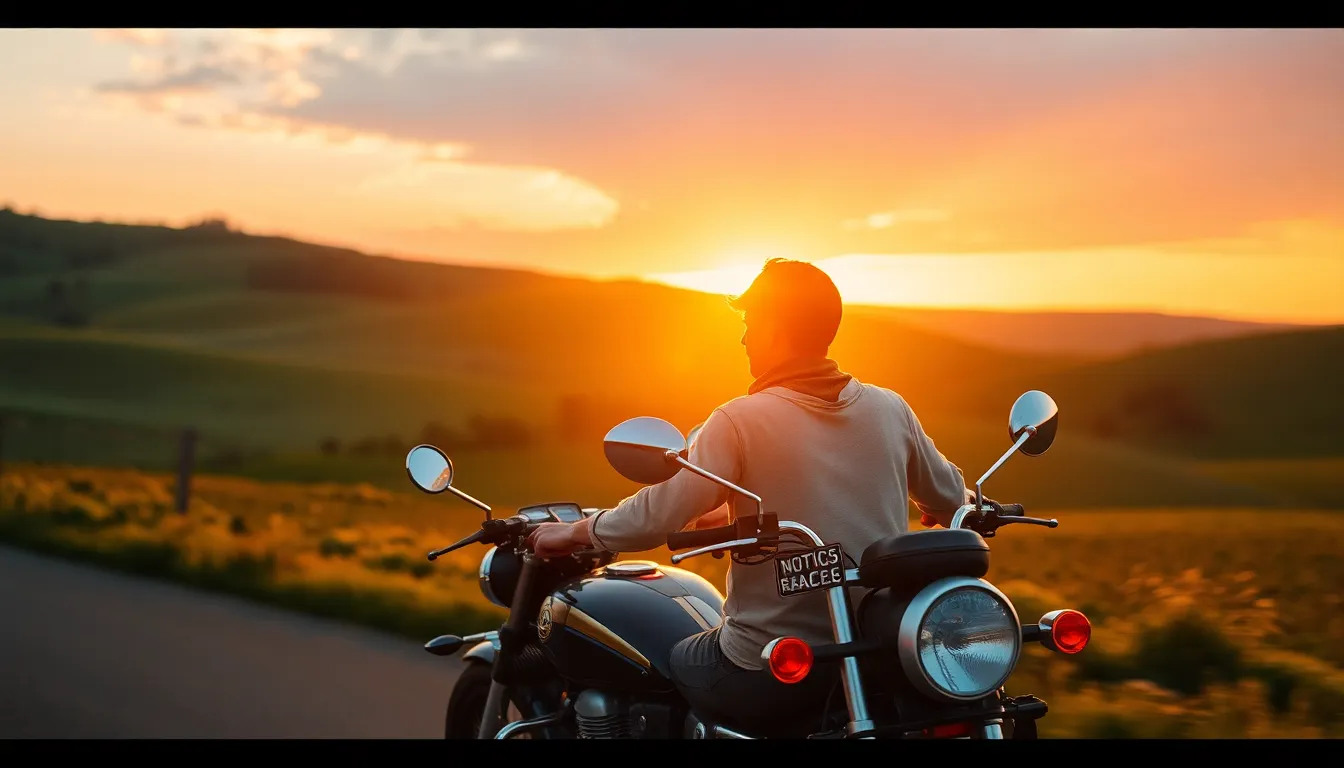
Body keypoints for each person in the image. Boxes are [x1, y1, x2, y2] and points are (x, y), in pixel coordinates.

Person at [527, 258, 971, 736]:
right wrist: (939, 505)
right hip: (876, 650)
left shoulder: (739, 420)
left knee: (671, 655)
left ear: (775, 328)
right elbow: (952, 496)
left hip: (768, 664)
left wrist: (574, 532)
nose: (743, 338)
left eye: (749, 323)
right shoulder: (889, 408)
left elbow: (661, 511)